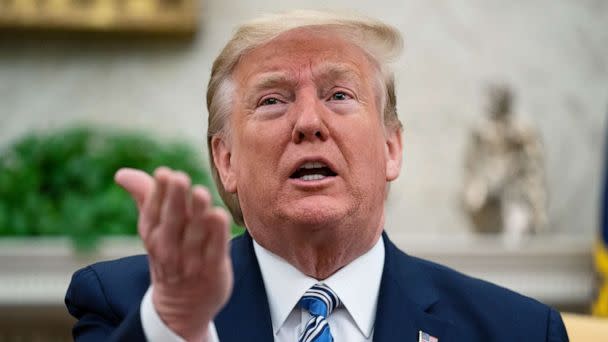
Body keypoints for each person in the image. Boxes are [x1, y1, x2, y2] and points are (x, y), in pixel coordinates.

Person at [65, 10, 569, 342]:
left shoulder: (515, 330)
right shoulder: (129, 307)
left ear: (391, 148)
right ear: (226, 161)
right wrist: (176, 324)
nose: (309, 122)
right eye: (272, 100)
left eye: (339, 95)